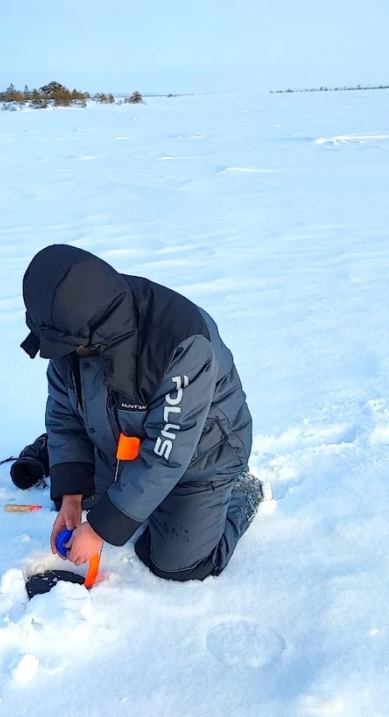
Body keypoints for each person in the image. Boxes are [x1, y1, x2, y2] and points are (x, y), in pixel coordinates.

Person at [15, 243, 264, 582]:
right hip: (122, 442)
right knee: (87, 496)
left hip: (202, 455)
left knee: (175, 563)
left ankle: (240, 493)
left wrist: (101, 530)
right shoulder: (69, 325)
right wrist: (71, 496)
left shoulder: (180, 340)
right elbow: (64, 412)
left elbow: (167, 453)